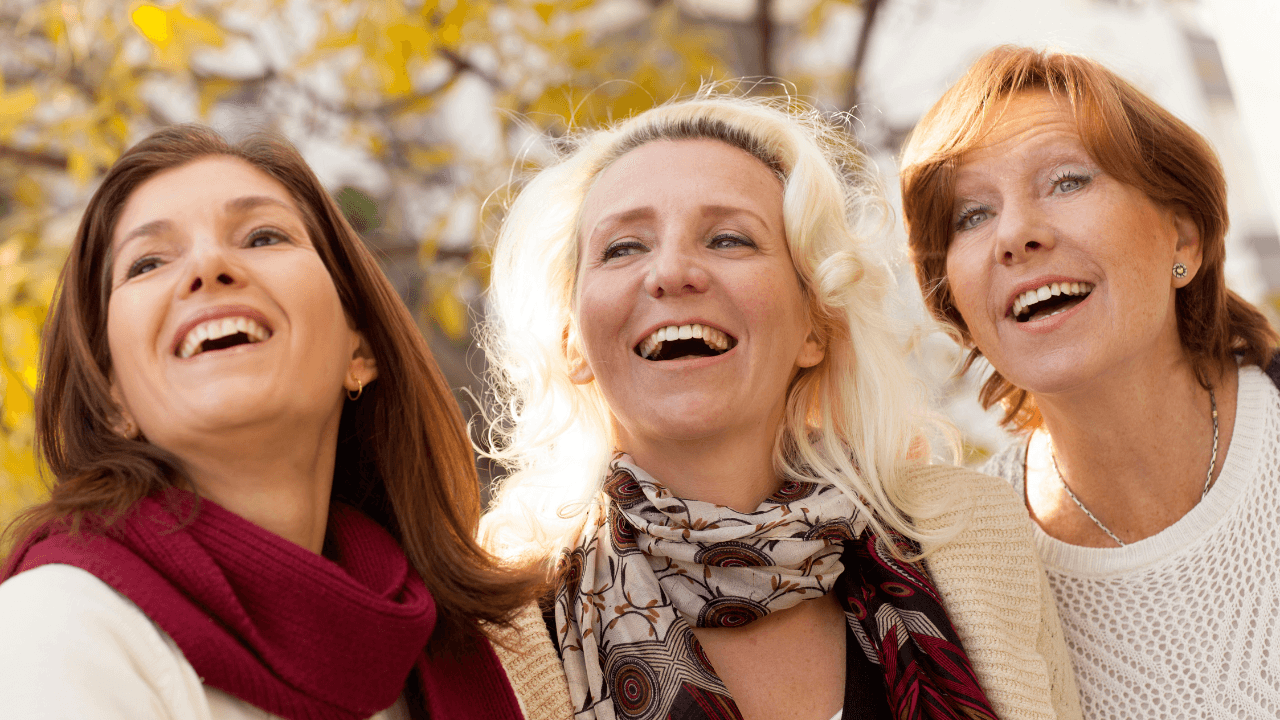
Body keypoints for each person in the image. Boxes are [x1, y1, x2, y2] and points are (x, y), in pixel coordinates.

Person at [479, 93, 1081, 720]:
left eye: (729, 239)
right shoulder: (501, 613)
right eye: (623, 247)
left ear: (814, 327)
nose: (673, 272)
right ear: (572, 340)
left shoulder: (971, 538)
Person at [0, 125, 572, 720]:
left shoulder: (475, 645)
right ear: (111, 395)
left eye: (262, 236)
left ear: (360, 348)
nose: (209, 266)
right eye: (146, 263)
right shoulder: (61, 625)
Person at [900, 45, 1280, 717]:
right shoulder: (957, 572)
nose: (1014, 234)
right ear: (955, 301)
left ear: (1183, 241)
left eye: (1067, 180)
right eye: (972, 215)